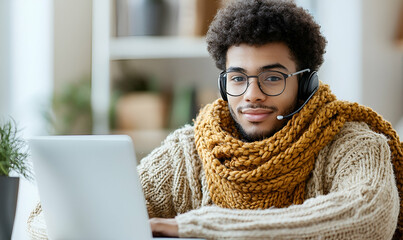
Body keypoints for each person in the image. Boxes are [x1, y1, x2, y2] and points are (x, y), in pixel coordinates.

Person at [29, 0, 403, 239]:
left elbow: (365, 217)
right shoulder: (190, 153)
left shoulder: (353, 143)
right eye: (238, 78)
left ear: (305, 83)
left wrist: (196, 228)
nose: (251, 94)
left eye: (272, 78)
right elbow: (56, 217)